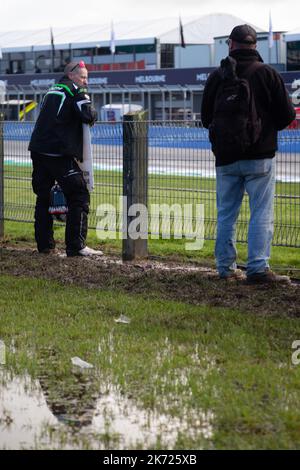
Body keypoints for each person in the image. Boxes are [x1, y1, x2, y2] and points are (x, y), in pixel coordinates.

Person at [201, 25, 295, 284]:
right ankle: (257, 268)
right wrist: (264, 129)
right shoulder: (268, 74)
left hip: (225, 159)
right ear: (256, 45)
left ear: (230, 44)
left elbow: (205, 117)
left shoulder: (217, 77)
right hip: (260, 156)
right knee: (261, 213)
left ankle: (225, 268)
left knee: (226, 215)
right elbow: (288, 115)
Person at [29, 60, 103, 256]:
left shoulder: (52, 90)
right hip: (57, 152)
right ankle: (76, 246)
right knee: (79, 193)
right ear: (71, 75)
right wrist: (92, 111)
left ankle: (45, 246)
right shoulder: (74, 90)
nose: (86, 81)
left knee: (43, 197)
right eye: (83, 76)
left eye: (86, 77)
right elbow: (88, 114)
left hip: (38, 149)